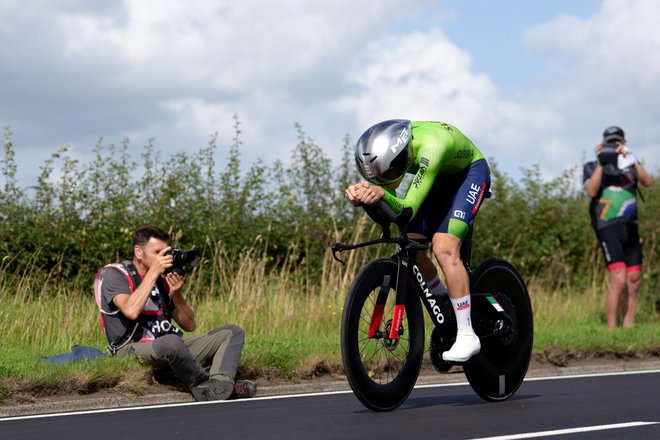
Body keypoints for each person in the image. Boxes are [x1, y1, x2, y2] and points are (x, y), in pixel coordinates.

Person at [345, 120, 491, 362]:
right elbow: (390, 211)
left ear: (402, 155)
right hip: (438, 176)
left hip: (468, 174)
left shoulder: (431, 147)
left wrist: (381, 195)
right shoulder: (392, 155)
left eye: (390, 172)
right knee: (411, 245)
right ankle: (445, 302)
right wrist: (365, 196)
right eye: (380, 175)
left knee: (444, 247)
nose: (387, 178)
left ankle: (467, 334)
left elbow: (408, 208)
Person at [95, 226, 256, 401]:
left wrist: (176, 294)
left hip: (170, 348)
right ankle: (201, 384)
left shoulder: (162, 280)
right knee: (171, 342)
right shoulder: (115, 274)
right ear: (138, 252)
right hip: (130, 350)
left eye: (166, 252)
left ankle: (221, 383)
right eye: (157, 252)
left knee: (232, 332)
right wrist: (153, 272)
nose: (163, 258)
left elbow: (189, 325)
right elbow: (131, 310)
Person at [583, 126, 652, 329]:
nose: (614, 146)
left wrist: (630, 158)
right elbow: (591, 190)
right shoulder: (592, 166)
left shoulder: (630, 165)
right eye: (609, 143)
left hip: (630, 226)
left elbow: (647, 181)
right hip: (607, 226)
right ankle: (612, 329)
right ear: (603, 144)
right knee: (619, 278)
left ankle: (628, 326)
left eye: (617, 143)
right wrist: (601, 163)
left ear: (624, 142)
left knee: (634, 279)